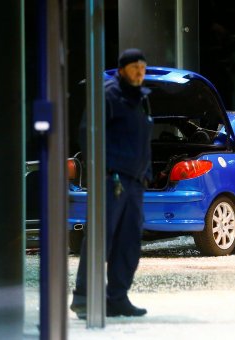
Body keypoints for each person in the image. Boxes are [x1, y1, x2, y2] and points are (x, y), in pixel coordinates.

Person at [71, 48, 153, 319]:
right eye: (134, 67)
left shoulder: (140, 99)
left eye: (142, 67)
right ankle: (84, 298)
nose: (140, 72)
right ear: (121, 70)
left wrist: (145, 174)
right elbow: (88, 133)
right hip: (112, 178)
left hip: (134, 181)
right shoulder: (109, 95)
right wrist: (103, 170)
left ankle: (117, 297)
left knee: (129, 241)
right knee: (100, 238)